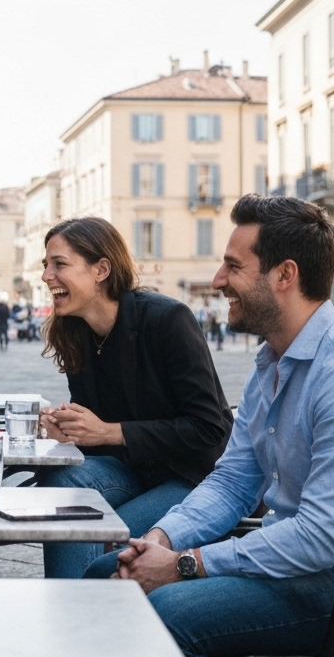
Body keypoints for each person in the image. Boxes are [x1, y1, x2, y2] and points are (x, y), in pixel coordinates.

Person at [88, 194, 334, 657]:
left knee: (164, 617)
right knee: (101, 576)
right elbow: (232, 482)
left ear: (284, 275)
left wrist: (185, 564)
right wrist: (162, 539)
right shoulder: (272, 363)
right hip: (302, 569)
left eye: (233, 265)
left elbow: (321, 539)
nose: (218, 280)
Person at [35, 217, 233, 579]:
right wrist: (71, 432)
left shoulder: (168, 319)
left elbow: (209, 429)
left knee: (97, 534)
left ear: (101, 270)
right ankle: (70, 607)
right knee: (58, 482)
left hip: (192, 474)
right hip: (131, 469)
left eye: (59, 264)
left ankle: (83, 612)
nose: (47, 275)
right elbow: (98, 433)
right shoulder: (76, 332)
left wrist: (109, 432)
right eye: (46, 265)